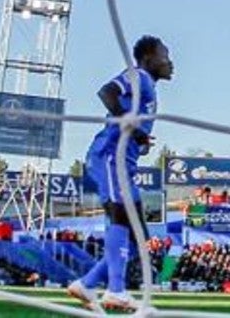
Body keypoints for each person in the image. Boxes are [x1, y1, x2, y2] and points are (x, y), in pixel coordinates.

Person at [67, 36, 173, 312]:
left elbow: (129, 119)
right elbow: (107, 92)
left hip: (125, 164)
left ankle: (87, 284)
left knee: (139, 238)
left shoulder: (149, 89)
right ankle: (115, 290)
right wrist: (132, 126)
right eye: (165, 56)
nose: (170, 62)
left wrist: (140, 138)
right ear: (149, 59)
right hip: (110, 157)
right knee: (120, 216)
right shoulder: (138, 76)